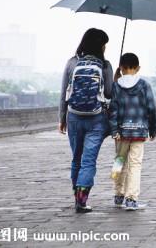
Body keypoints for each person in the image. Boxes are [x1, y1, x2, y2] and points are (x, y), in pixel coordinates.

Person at [59, 28, 114, 213]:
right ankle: (82, 201)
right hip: (96, 119)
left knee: (76, 159)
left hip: (73, 116)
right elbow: (108, 93)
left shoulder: (72, 62)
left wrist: (62, 118)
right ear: (100, 45)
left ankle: (77, 197)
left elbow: (63, 94)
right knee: (88, 161)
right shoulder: (105, 65)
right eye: (104, 44)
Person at [108, 52, 156, 211]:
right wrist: (153, 128)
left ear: (121, 68)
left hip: (121, 133)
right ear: (138, 68)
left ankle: (118, 194)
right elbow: (151, 108)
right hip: (138, 132)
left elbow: (113, 110)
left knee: (119, 162)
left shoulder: (116, 86)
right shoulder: (144, 85)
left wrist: (114, 129)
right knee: (135, 165)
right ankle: (131, 199)